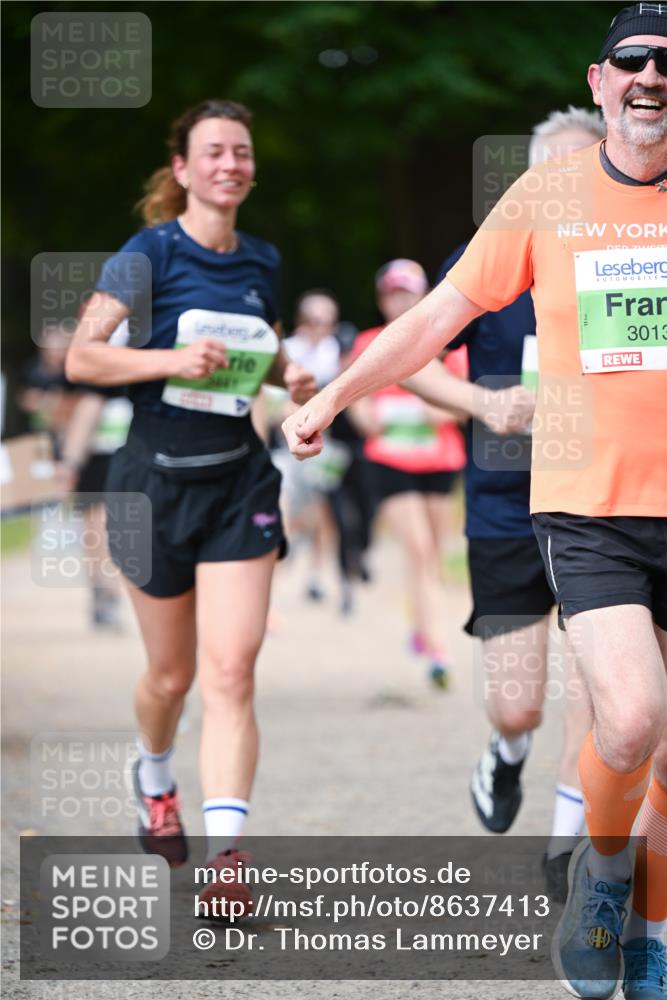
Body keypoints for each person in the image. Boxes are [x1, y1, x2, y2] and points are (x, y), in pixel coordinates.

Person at [282, 6, 667, 998]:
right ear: (599, 80)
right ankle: (603, 872)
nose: (650, 76)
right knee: (630, 720)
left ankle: (655, 931)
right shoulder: (545, 199)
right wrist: (332, 395)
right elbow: (434, 318)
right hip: (589, 504)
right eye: (631, 60)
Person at [66, 99, 316, 914]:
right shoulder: (147, 254)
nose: (229, 165)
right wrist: (169, 359)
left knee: (231, 672)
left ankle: (227, 858)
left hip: (238, 482)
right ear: (182, 168)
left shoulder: (261, 259)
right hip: (153, 485)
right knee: (170, 676)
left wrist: (291, 377)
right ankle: (153, 773)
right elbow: (82, 359)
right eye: (213, 152)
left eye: (240, 152)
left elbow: (259, 351)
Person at [437, 108, 604, 902]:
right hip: (504, 504)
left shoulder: (626, 256)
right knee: (516, 706)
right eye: (558, 170)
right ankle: (505, 754)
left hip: (600, 502)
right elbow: (409, 356)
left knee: (597, 689)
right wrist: (481, 401)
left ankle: (564, 844)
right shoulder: (490, 254)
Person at [348, 259, 467, 687]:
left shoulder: (448, 342)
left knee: (432, 554)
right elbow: (354, 398)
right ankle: (438, 652)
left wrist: (433, 410)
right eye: (392, 293)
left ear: (424, 295)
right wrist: (367, 418)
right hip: (389, 460)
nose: (400, 301)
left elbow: (463, 404)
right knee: (418, 550)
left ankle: (420, 625)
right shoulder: (367, 342)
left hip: (440, 460)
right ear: (382, 299)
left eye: (408, 292)